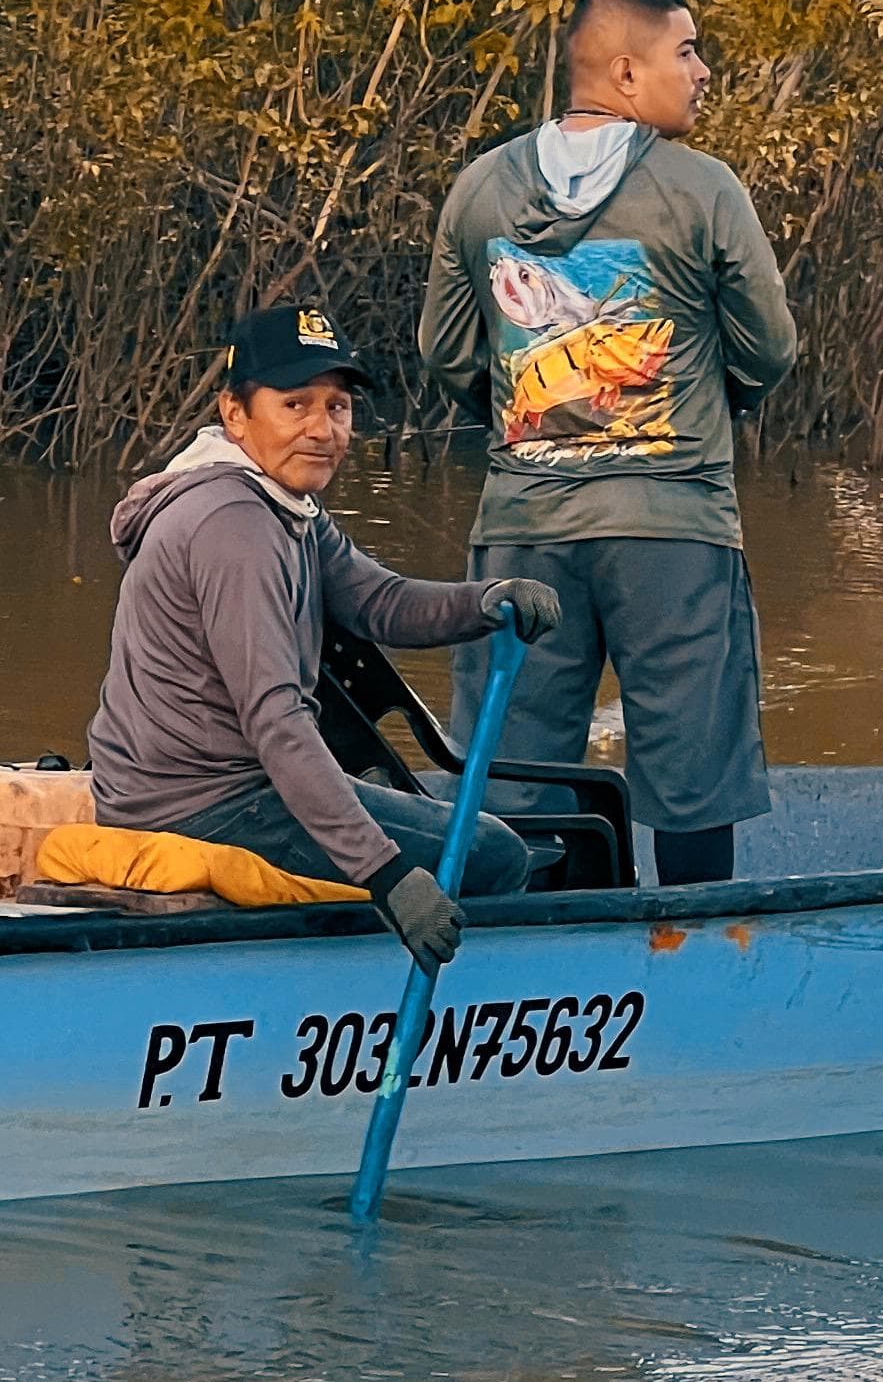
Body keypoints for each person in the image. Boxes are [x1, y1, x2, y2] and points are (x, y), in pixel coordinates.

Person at [417, 0, 798, 881]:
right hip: (674, 531)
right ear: (626, 73)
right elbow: (770, 347)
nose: (703, 72)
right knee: (692, 766)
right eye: (687, 52)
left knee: (518, 772)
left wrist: (531, 422)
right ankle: (693, 942)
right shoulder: (703, 189)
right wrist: (716, 405)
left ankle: (548, 947)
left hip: (524, 527)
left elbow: (445, 352)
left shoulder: (480, 188)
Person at [88, 301, 560, 969]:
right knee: (494, 853)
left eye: (337, 407)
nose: (322, 430)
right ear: (234, 413)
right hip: (205, 807)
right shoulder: (235, 525)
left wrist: (487, 600)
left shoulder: (279, 502)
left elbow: (380, 602)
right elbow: (276, 721)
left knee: (456, 830)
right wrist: (387, 874)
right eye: (295, 405)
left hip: (208, 790)